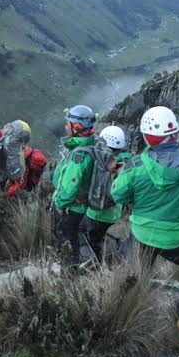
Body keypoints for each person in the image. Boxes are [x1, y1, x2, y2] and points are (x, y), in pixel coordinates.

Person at [111, 106, 179, 332]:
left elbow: (117, 194)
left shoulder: (135, 166)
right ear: (175, 134)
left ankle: (121, 311)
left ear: (147, 137)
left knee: (133, 270)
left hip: (142, 234)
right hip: (177, 239)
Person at [51, 106, 97, 265]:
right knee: (72, 237)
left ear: (76, 127)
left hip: (71, 207)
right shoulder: (90, 144)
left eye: (68, 124)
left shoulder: (80, 154)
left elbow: (71, 184)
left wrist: (59, 203)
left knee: (68, 239)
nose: (65, 127)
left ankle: (69, 272)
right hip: (79, 206)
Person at [81, 125, 133, 262]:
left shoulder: (99, 159)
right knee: (100, 240)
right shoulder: (128, 163)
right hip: (114, 213)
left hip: (95, 212)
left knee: (88, 240)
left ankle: (93, 267)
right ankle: (106, 263)